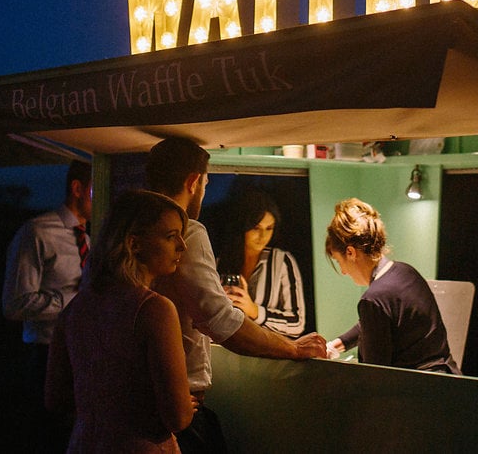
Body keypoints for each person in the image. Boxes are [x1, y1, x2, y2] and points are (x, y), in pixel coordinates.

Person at [145, 138, 328, 454]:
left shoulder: (126, 231)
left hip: (139, 403)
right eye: (205, 182)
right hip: (176, 405)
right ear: (193, 182)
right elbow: (221, 321)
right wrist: (293, 349)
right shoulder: (188, 231)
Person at [45, 189, 199, 452]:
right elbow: (178, 417)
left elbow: (55, 399)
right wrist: (185, 402)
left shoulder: (75, 308)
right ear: (134, 243)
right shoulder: (154, 310)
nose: (182, 246)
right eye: (171, 236)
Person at [2, 159, 92, 451]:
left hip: (85, 355)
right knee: (51, 437)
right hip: (47, 354)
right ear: (77, 188)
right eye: (97, 188)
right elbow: (14, 304)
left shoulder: (93, 236)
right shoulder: (37, 232)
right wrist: (73, 299)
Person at [325, 197, 460, 374]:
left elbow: (376, 376)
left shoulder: (373, 299)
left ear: (350, 252)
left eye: (338, 261)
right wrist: (334, 346)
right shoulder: (406, 272)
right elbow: (372, 324)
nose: (343, 271)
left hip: (416, 393)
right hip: (447, 380)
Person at [217, 190, 306, 338]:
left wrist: (254, 311)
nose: (263, 236)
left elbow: (297, 323)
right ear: (242, 226)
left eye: (269, 228)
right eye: (256, 228)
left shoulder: (281, 262)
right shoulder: (221, 262)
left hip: (267, 355)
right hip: (228, 350)